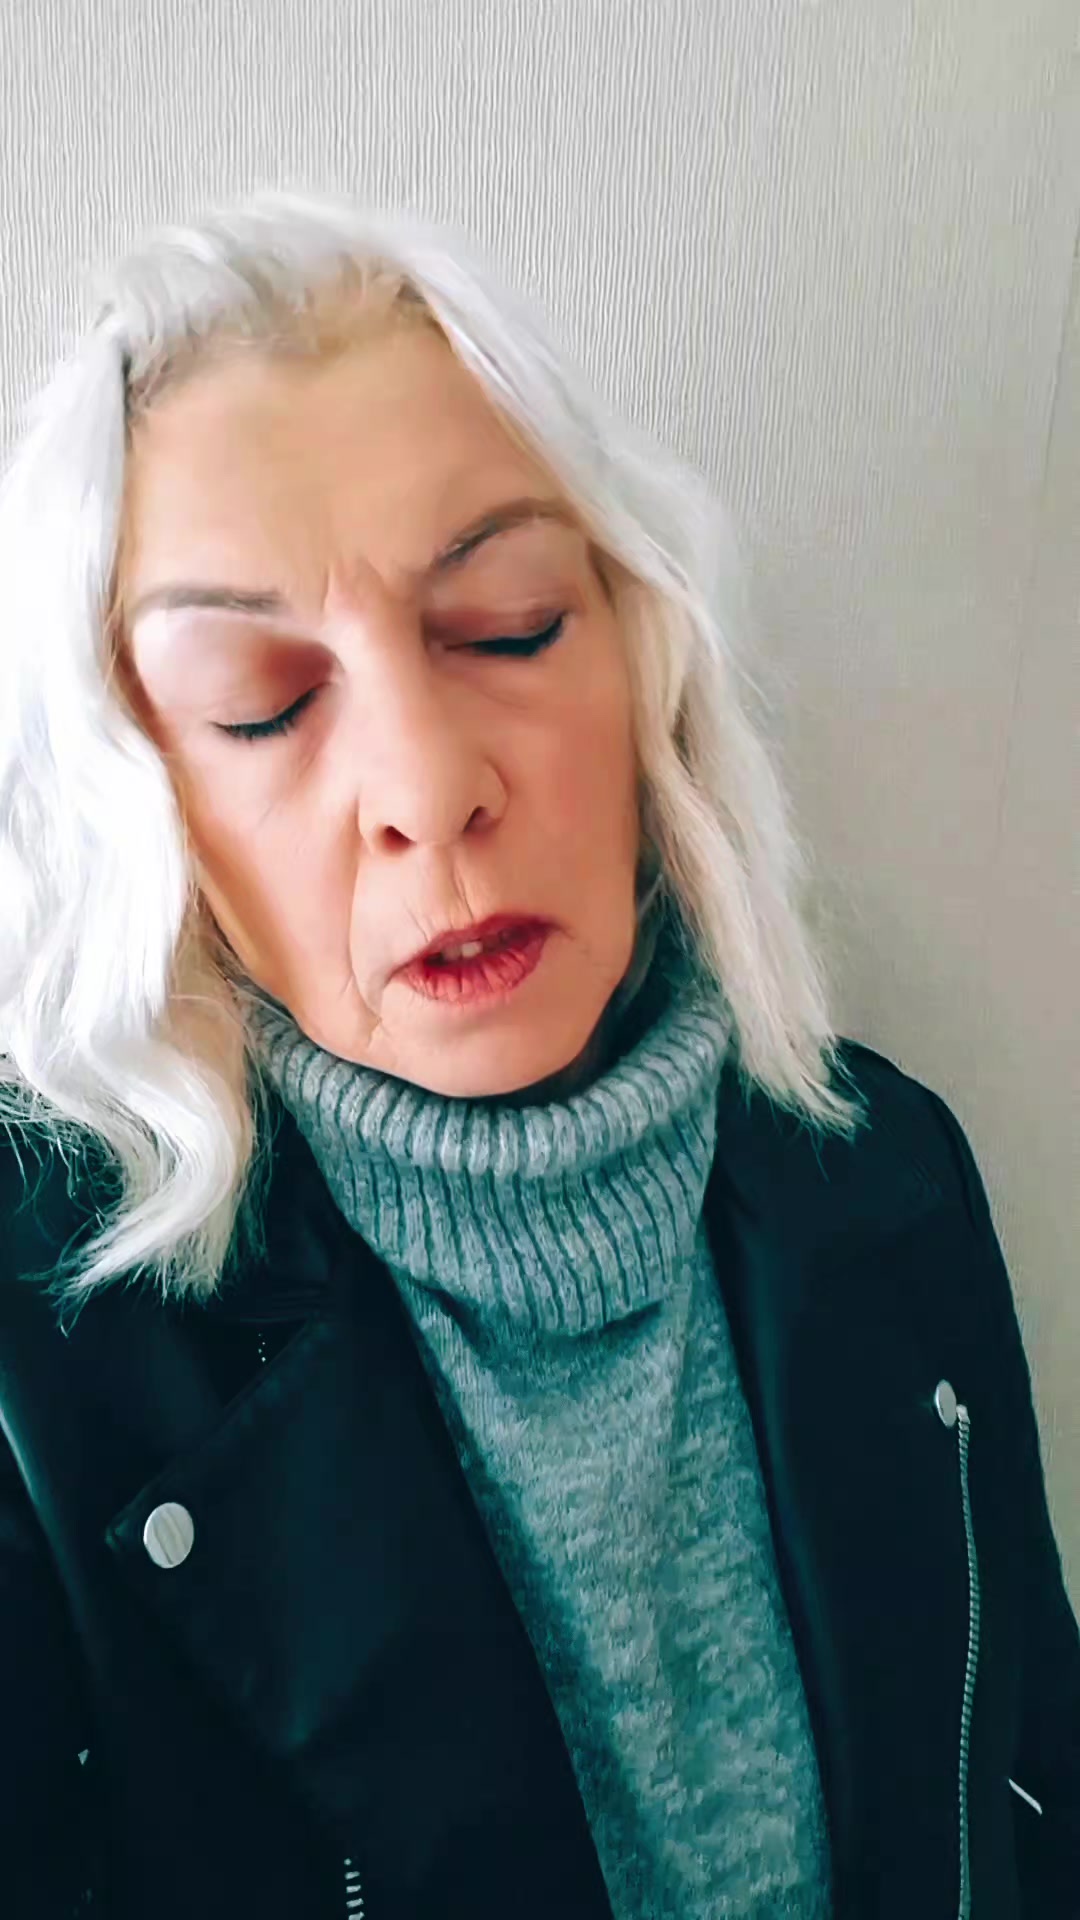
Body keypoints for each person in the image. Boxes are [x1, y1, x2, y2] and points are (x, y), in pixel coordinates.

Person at [0, 187, 1075, 1920]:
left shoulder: (893, 1176)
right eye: (264, 705)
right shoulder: (39, 1366)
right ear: (147, 814)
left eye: (506, 626)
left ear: (642, 654)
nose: (430, 791)